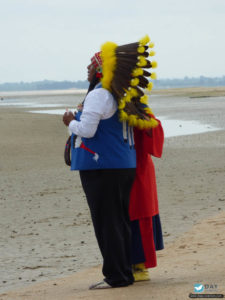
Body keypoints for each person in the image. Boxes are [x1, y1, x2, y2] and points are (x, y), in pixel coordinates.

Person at [63, 35, 158, 289]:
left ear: (100, 70)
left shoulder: (100, 95)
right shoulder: (121, 94)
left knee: (107, 223)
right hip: (121, 165)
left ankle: (116, 276)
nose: (88, 70)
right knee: (118, 222)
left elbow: (88, 130)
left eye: (91, 65)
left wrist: (69, 121)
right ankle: (124, 273)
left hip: (102, 167)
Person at [130, 117, 164, 281]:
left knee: (140, 212)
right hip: (117, 168)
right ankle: (129, 264)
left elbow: (154, 126)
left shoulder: (136, 105)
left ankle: (140, 266)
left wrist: (141, 118)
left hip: (139, 166)